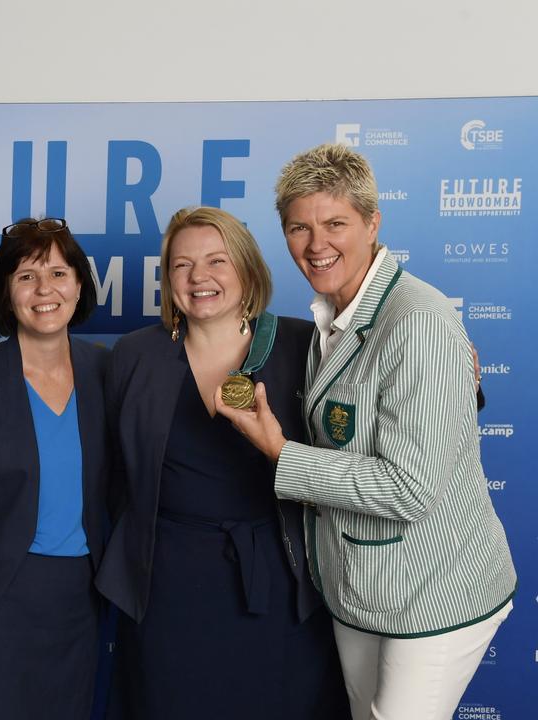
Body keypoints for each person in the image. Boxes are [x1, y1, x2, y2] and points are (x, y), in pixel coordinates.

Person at [217, 143, 516, 720]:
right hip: (362, 586)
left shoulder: (418, 323)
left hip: (436, 589)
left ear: (373, 223)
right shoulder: (330, 317)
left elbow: (409, 487)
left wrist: (282, 454)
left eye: (335, 223)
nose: (316, 244)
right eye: (299, 227)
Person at [96, 207, 347, 718]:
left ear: (247, 268)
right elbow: (115, 475)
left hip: (279, 579)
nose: (199, 278)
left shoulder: (305, 344)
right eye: (182, 266)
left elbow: (377, 414)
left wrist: (458, 376)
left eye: (217, 261)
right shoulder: (134, 355)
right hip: (167, 585)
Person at [0, 218, 109, 720]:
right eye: (26, 276)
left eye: (58, 273)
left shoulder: (107, 373)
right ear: (6, 292)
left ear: (79, 285)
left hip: (77, 599)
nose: (44, 290)